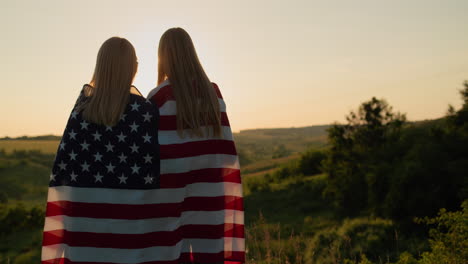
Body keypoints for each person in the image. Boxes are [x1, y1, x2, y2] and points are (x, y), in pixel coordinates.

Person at [41, 37, 161, 263]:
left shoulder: (80, 112)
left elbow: (64, 172)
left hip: (84, 236)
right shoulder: (146, 113)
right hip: (133, 236)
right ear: (132, 68)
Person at [147, 28, 245, 264]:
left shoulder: (158, 97)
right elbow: (225, 149)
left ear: (164, 57)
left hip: (170, 199)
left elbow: (150, 155)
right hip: (211, 193)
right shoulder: (214, 93)